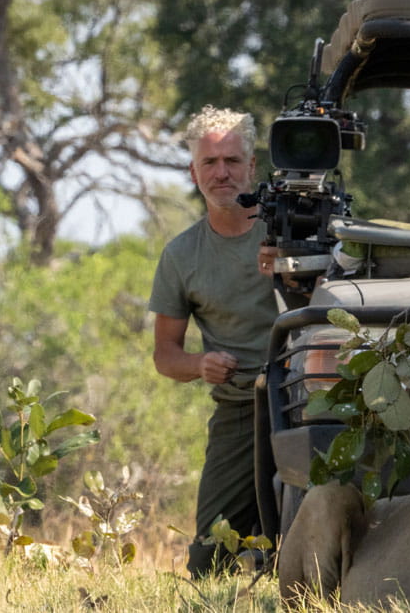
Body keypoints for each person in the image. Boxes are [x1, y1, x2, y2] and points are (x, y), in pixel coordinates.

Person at [148, 104, 280, 577]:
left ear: (251, 166)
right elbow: (165, 354)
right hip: (240, 409)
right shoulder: (181, 255)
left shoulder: (290, 230)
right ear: (194, 172)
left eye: (232, 160)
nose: (221, 172)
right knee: (207, 563)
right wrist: (199, 365)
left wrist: (292, 273)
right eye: (209, 162)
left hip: (309, 399)